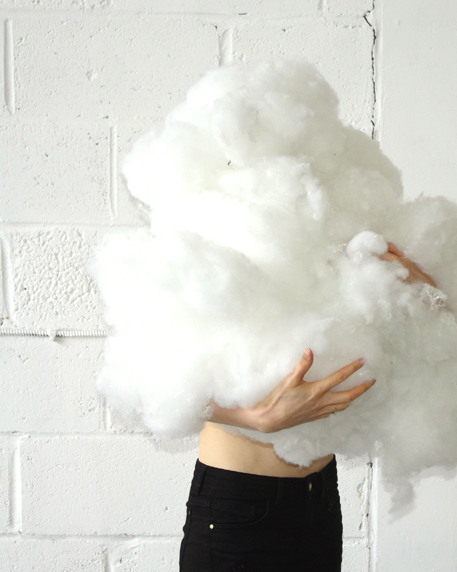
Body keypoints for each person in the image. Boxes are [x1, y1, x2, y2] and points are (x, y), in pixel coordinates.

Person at [179, 243, 436, 572]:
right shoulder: (218, 225)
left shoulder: (340, 228)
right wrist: (254, 418)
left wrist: (420, 284)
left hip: (319, 499)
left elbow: (452, 324)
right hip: (238, 503)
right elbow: (149, 375)